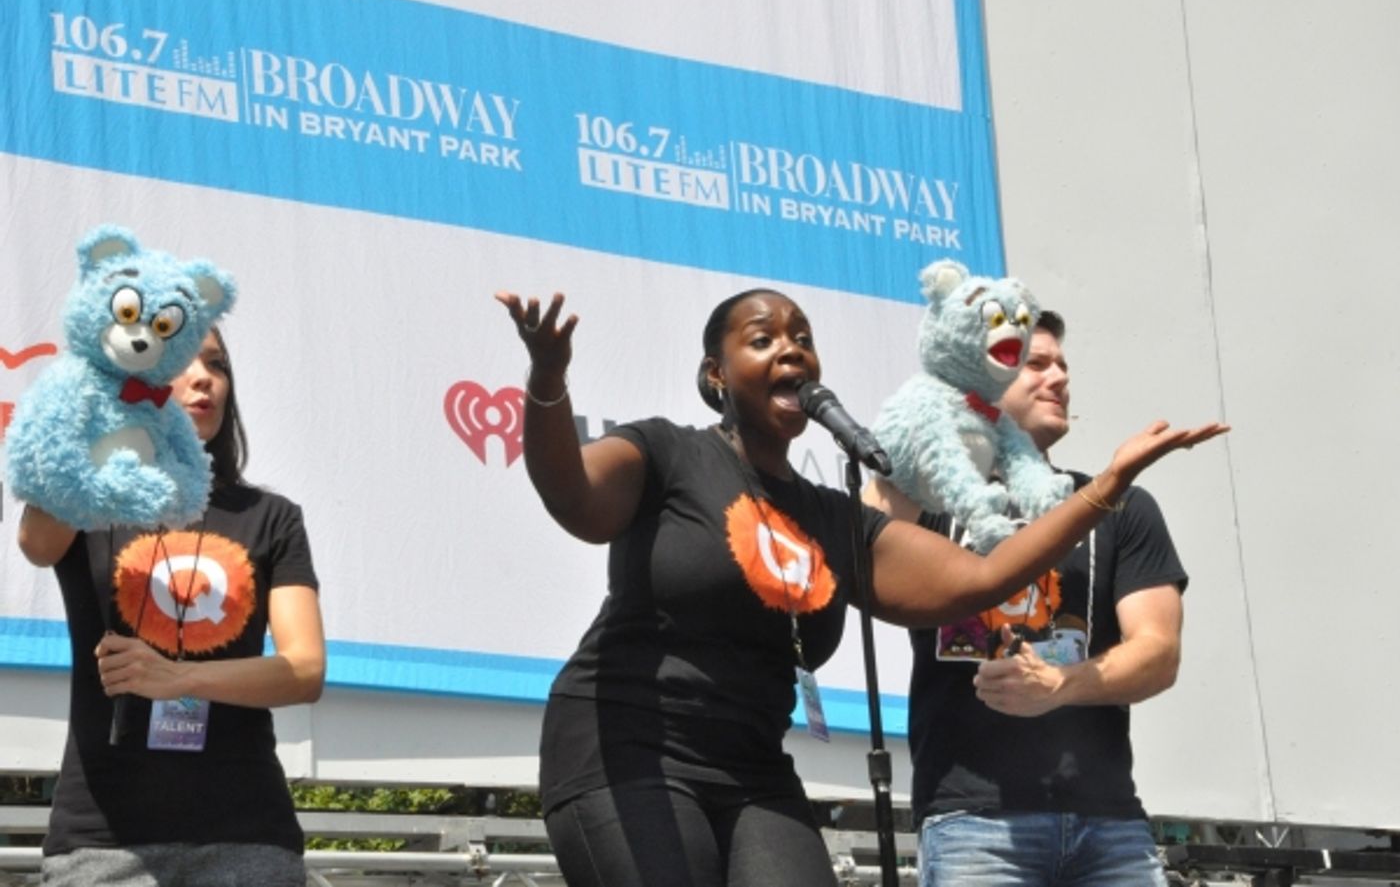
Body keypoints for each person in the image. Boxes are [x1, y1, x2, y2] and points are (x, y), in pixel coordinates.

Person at [496, 288, 1224, 887]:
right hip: (628, 746)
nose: (791, 349)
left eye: (803, 339)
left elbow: (981, 579)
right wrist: (548, 380)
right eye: (763, 339)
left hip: (752, 767)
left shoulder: (832, 516)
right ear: (716, 374)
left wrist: (1106, 486)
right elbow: (573, 496)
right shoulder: (669, 453)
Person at [865, 310, 1188, 886]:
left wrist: (1060, 685)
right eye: (1036, 364)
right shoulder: (934, 504)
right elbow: (857, 553)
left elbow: (1159, 654)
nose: (1059, 378)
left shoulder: (1123, 506)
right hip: (973, 824)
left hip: (1111, 825)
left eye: (1063, 365)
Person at [16, 328, 326, 887]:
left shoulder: (271, 517)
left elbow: (304, 670)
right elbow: (35, 544)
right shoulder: (88, 501)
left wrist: (178, 677)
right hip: (103, 842)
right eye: (182, 361)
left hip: (247, 833)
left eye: (217, 364)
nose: (205, 378)